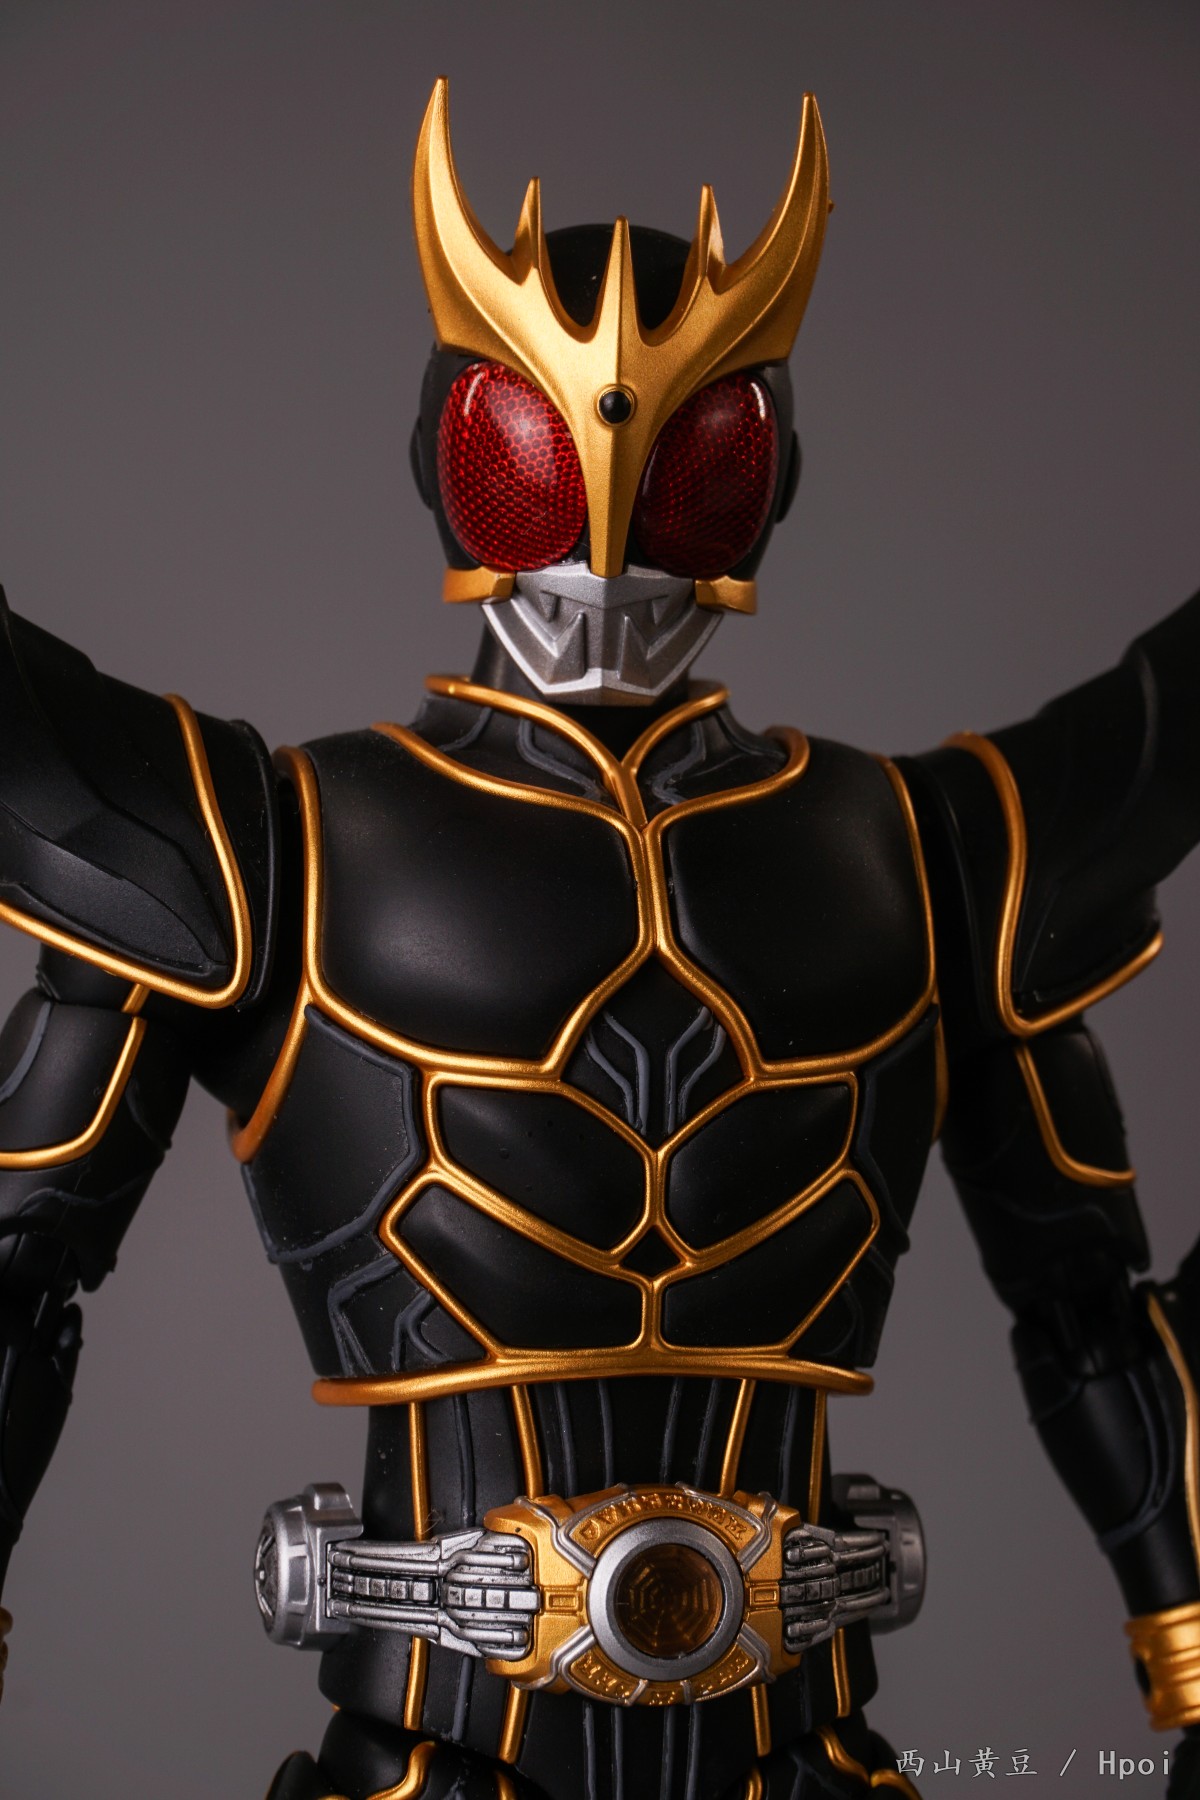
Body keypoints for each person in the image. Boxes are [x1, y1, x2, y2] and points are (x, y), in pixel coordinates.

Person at [1, 79, 1197, 1800]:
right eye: (535, 455)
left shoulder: (935, 857)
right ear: (456, 455)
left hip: (808, 1748)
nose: (611, 530)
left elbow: (1096, 1321)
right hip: (431, 1748)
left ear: (765, 474)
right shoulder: (271, 844)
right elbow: (20, 1278)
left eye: (693, 463)